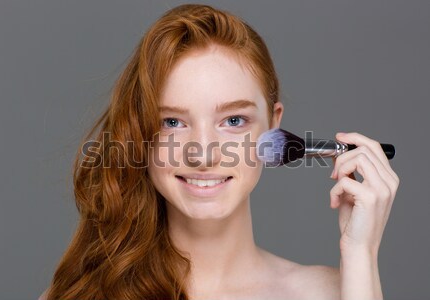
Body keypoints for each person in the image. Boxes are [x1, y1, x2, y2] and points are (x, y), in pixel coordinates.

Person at [39, 4, 399, 300]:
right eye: (173, 123)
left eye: (233, 120)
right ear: (140, 133)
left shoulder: (335, 292)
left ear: (274, 128)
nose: (203, 154)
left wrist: (361, 256)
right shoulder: (77, 294)